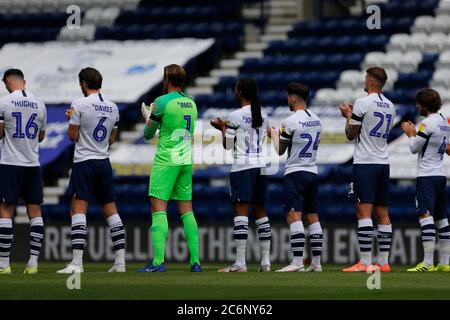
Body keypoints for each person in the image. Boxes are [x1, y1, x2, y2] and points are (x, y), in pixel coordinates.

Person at [57, 67, 125, 273]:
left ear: (84, 84)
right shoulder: (113, 107)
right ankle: (120, 262)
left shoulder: (78, 104)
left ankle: (77, 263)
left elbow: (71, 135)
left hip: (84, 161)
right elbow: (112, 138)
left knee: (78, 208)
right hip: (103, 161)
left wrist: (73, 118)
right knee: (111, 210)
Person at [137, 64, 201, 272]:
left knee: (158, 208)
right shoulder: (191, 103)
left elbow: (148, 134)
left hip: (167, 160)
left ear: (166, 79)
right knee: (187, 210)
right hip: (185, 159)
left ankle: (158, 262)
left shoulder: (161, 101)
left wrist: (148, 117)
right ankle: (195, 262)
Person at [211, 77, 272, 272]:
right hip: (260, 166)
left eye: (236, 90)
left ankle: (240, 263)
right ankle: (265, 262)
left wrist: (222, 128)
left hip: (242, 167)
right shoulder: (263, 115)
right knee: (261, 213)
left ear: (240, 92)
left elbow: (228, 145)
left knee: (241, 212)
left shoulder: (234, 116)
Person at [339, 67, 396, 272]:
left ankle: (364, 262)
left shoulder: (363, 103)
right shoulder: (391, 106)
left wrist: (347, 115)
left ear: (371, 81)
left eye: (365, 77)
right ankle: (384, 262)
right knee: (383, 213)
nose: (364, 80)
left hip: (365, 162)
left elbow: (350, 134)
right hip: (383, 161)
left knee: (363, 211)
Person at [268, 83, 324, 272]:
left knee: (294, 216)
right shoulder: (317, 120)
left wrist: (273, 135)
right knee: (313, 217)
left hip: (295, 172)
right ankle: (316, 263)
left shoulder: (290, 121)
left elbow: (279, 150)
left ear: (293, 97)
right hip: (312, 172)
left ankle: (297, 262)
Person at [0, 69, 47, 275]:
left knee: (5, 210)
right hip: (32, 164)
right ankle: (33, 264)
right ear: (23, 81)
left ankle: (3, 265)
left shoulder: (4, 102)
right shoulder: (40, 104)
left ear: (8, 82)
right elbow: (41, 136)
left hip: (10, 163)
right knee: (35, 212)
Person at [401, 88, 450, 272]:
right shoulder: (445, 122)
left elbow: (414, 148)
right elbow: (448, 149)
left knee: (425, 215)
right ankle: (445, 263)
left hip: (427, 176)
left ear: (424, 105)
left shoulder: (426, 123)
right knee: (442, 218)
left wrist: (410, 133)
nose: (416, 106)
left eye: (418, 104)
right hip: (440, 174)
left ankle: (427, 263)